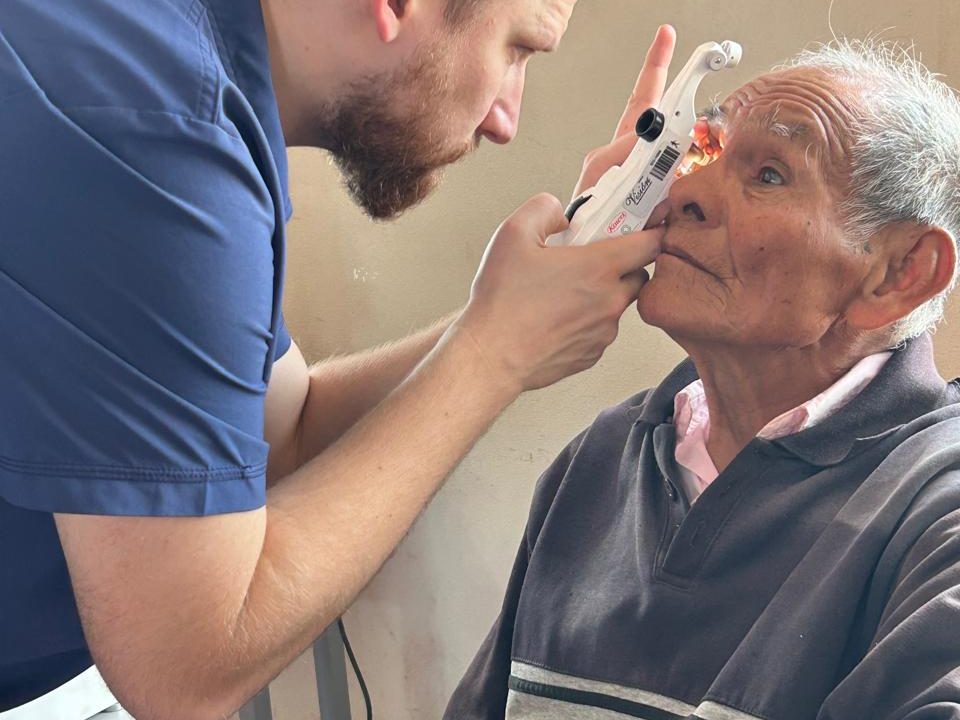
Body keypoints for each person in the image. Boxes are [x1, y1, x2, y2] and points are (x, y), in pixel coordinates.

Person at [0, 0, 677, 718]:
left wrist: (526, 305)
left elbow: (287, 428)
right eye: (516, 51)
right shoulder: (156, 136)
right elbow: (188, 668)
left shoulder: (185, 78)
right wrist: (496, 354)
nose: (505, 119)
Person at [445, 39, 960, 720]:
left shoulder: (938, 517)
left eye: (769, 174)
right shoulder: (601, 456)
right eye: (702, 150)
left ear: (900, 274)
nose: (681, 190)